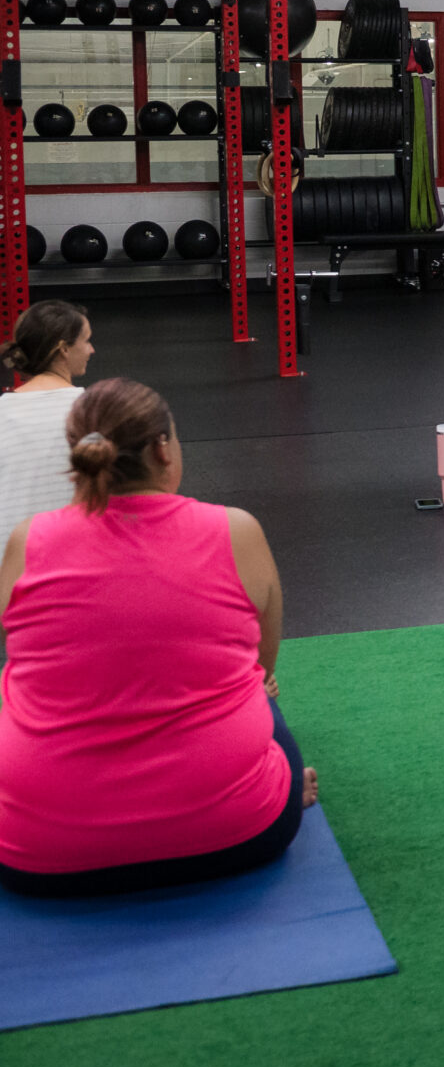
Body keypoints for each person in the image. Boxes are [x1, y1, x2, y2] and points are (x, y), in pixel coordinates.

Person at [0, 379, 317, 897]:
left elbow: (13, 650)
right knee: (261, 695)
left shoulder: (26, 540)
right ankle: (280, 783)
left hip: (36, 854)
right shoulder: (236, 530)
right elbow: (261, 664)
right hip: (240, 834)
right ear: (163, 449)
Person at [0, 301, 92, 545]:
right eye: (86, 340)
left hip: (9, 567)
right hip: (70, 562)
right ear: (63, 349)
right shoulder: (94, 410)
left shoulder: (2, 411)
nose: (91, 350)